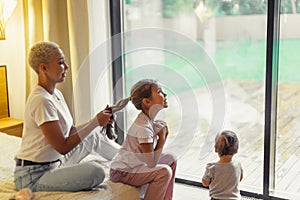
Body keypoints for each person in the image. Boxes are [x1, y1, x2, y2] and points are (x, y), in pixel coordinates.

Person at [14, 41, 120, 193]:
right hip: (33, 176)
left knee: (93, 135)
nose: (67, 67)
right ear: (43, 68)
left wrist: (97, 120)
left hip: (55, 163)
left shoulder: (55, 94)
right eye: (61, 63)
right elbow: (62, 146)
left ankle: (131, 159)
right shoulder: (41, 100)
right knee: (96, 172)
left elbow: (70, 132)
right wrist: (95, 122)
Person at [109, 79, 177, 200]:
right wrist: (162, 138)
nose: (165, 94)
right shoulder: (143, 128)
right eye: (160, 91)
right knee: (164, 172)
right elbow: (151, 163)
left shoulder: (147, 121)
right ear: (147, 102)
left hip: (136, 165)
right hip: (122, 171)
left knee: (171, 159)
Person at [202, 130, 243, 200]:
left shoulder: (212, 168)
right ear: (236, 149)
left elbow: (205, 183)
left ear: (216, 149)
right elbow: (240, 178)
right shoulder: (238, 165)